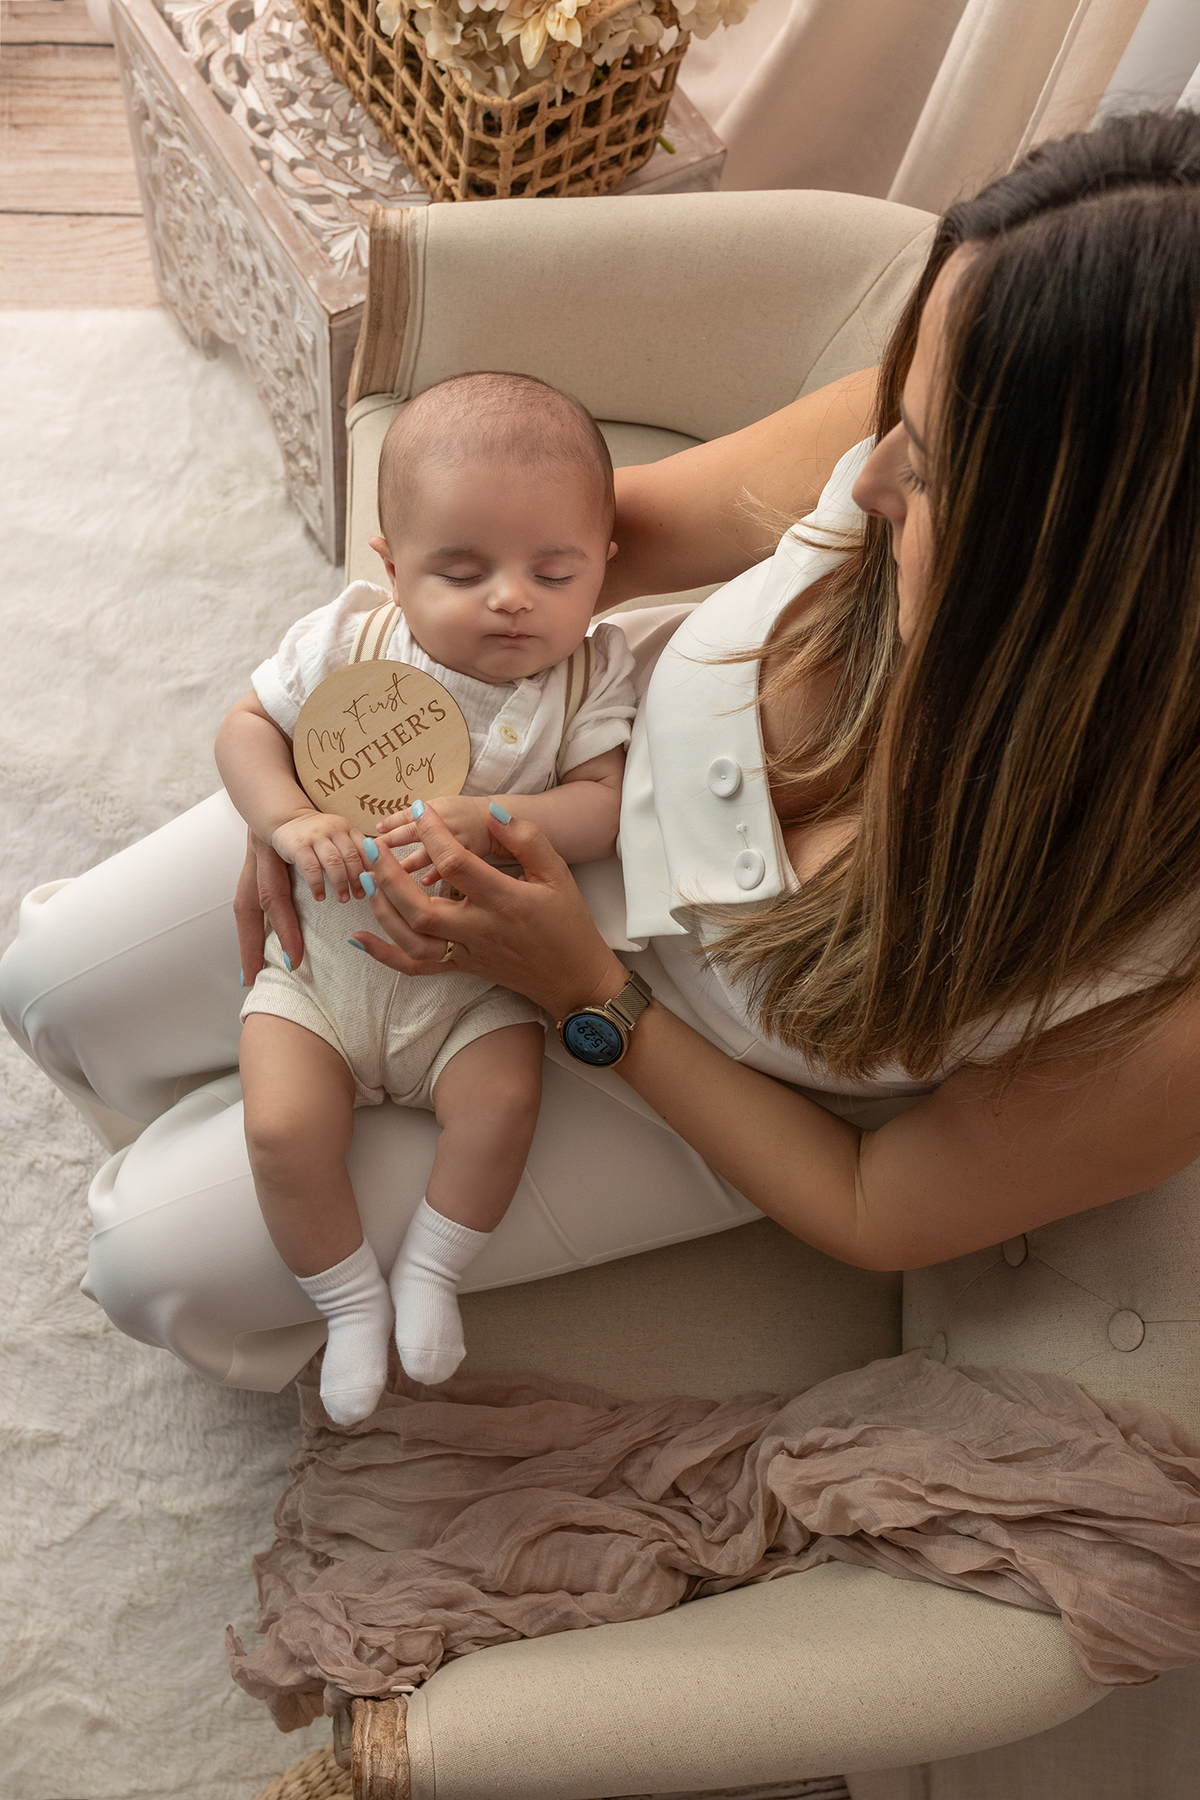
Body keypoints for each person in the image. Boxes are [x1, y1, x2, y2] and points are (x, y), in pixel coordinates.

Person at [4, 110, 1200, 1397]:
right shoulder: (936, 421)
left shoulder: (1168, 964)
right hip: (487, 795)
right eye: (893, 419)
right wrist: (315, 759)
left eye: (932, 470)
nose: (865, 482)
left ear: (1099, 567)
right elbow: (583, 527)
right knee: (53, 990)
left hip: (674, 1072)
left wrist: (582, 987)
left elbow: (877, 1204)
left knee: (144, 1257)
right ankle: (209, 1087)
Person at [217, 372, 636, 1421]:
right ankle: (348, 1297)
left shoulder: (587, 680)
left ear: (606, 568)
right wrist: (285, 820)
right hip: (322, 973)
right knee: (278, 1131)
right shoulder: (351, 641)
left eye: (555, 570)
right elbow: (245, 728)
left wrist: (501, 820)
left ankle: (431, 1271)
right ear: (392, 571)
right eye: (462, 569)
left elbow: (603, 805)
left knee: (502, 1107)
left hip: (475, 989)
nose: (511, 597)